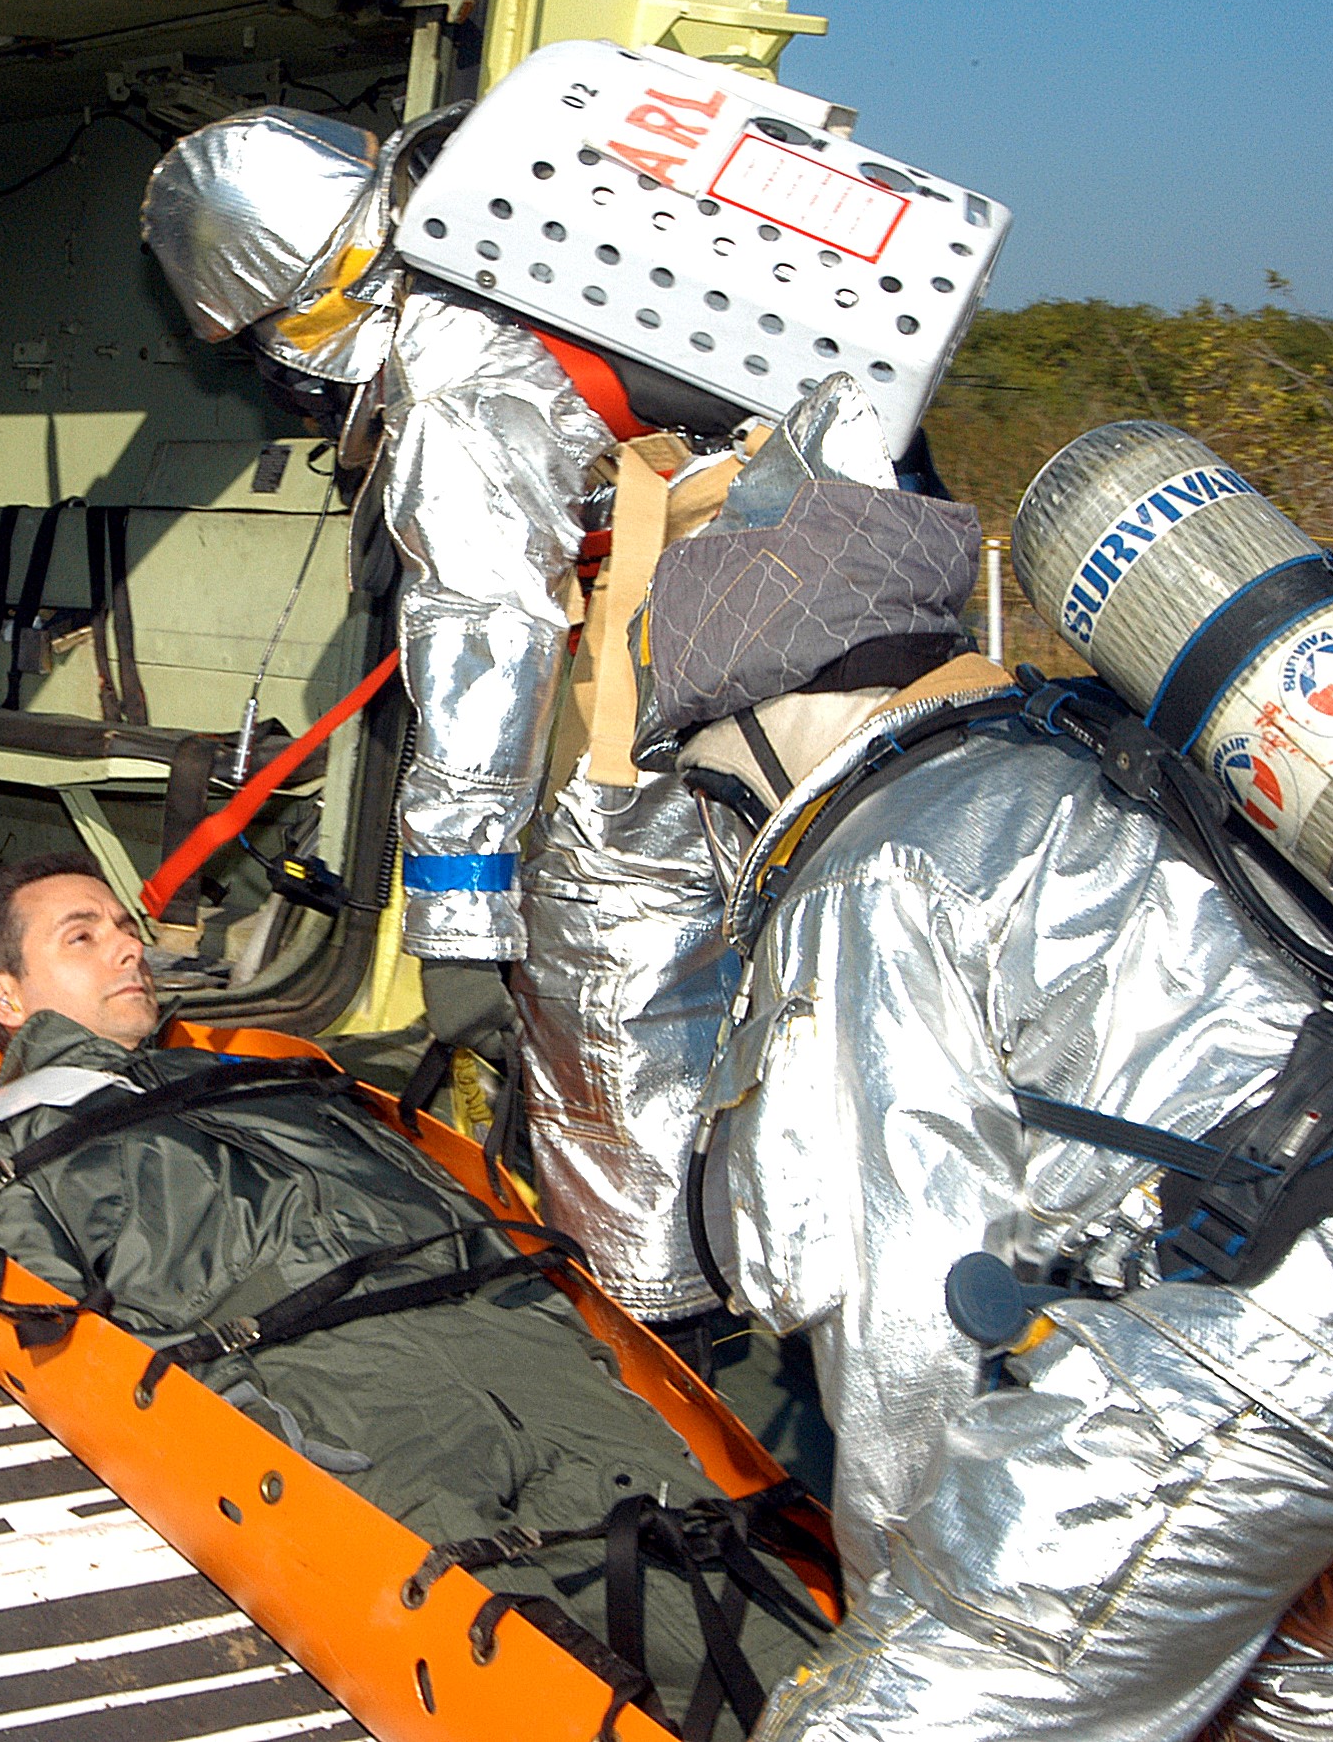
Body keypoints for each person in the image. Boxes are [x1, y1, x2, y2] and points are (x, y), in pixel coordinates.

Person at [654, 383, 1333, 1739]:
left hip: (1295, 1326)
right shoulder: (1089, 757)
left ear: (776, 716)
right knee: (1308, 1634)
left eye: (716, 780)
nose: (725, 826)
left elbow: (897, 1306)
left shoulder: (873, 864)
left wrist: (919, 1608)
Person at [141, 107, 942, 1406]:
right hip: (855, 620)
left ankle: (660, 1359)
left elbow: (484, 645)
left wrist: (458, 940)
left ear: (300, 317)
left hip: (719, 682)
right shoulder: (528, 259)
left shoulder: (453, 382)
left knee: (616, 996)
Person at [0, 852, 828, 1742]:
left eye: (125, 926)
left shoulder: (274, 1078)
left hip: (532, 1364)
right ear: (6, 996)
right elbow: (75, 1362)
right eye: (83, 935)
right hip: (366, 1417)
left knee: (770, 1631)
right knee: (552, 1666)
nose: (127, 947)